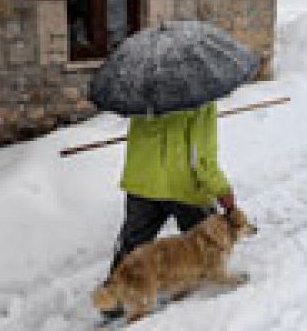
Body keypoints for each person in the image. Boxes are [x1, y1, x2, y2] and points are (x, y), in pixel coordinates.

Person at [100, 101, 235, 319]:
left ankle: (113, 298)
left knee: (132, 243)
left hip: (142, 183)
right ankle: (200, 283)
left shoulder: (145, 92)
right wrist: (221, 189)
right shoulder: (199, 99)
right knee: (207, 241)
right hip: (184, 188)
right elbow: (201, 157)